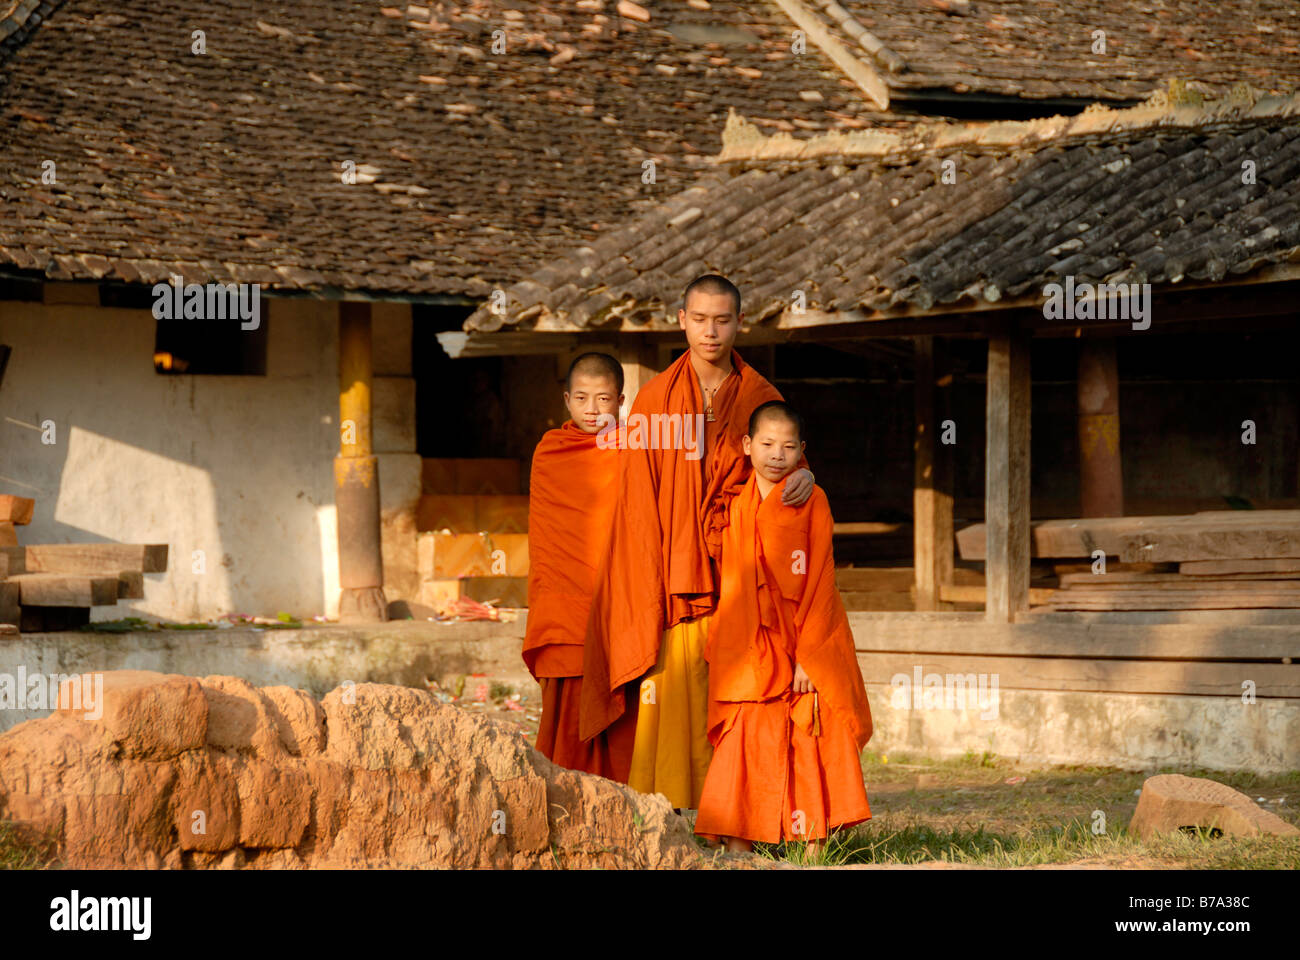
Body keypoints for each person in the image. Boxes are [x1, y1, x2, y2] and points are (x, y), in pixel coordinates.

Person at [579, 274, 814, 810]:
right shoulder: (655, 399)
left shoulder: (760, 395)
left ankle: (745, 809)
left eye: (723, 320)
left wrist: (808, 475)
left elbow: (782, 462)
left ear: (739, 323)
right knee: (674, 688)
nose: (711, 331)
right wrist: (649, 578)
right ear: (682, 321)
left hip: (741, 579)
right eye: (700, 319)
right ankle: (673, 808)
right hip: (674, 575)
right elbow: (638, 502)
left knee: (746, 689)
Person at [694, 401, 873, 853]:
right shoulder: (732, 499)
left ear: (803, 451)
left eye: (789, 447)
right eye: (768, 444)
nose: (777, 455)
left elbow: (820, 578)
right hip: (747, 640)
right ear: (747, 446)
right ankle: (740, 840)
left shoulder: (812, 500)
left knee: (809, 732)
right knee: (744, 733)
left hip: (800, 635)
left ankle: (813, 840)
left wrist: (811, 653)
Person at [522, 352, 637, 778]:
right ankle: (565, 794)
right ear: (567, 399)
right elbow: (548, 538)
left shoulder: (635, 449)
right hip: (564, 601)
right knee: (569, 700)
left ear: (620, 400)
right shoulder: (551, 451)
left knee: (623, 694)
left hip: (618, 597)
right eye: (583, 398)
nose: (593, 410)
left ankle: (629, 804)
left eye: (603, 399)